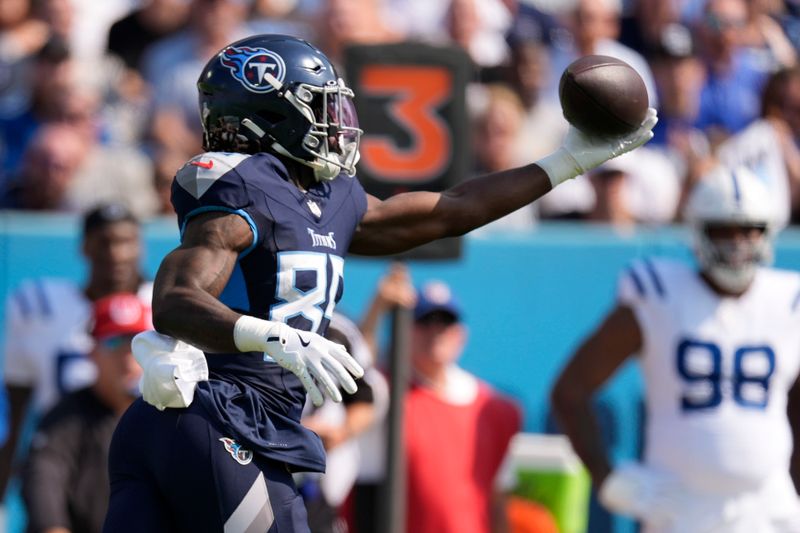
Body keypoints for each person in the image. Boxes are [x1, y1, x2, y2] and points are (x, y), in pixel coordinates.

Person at [102, 33, 656, 532]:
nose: (336, 122)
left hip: (192, 429)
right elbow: (174, 301)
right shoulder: (241, 188)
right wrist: (271, 336)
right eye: (319, 107)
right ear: (265, 115)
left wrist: (566, 163)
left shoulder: (330, 199)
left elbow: (450, 210)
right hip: (220, 418)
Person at [551, 167, 800, 532]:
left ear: (768, 233)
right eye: (722, 230)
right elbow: (570, 391)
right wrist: (606, 476)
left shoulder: (789, 301)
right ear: (698, 232)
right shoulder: (658, 294)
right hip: (682, 505)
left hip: (767, 503)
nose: (737, 243)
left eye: (749, 229)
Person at [0, 203, 151, 500]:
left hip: (142, 456)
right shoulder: (38, 306)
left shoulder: (165, 306)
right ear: (84, 248)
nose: (116, 254)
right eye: (104, 242)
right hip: (62, 454)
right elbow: (16, 411)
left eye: (126, 242)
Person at [21, 292, 149, 533]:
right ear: (92, 352)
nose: (126, 354)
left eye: (135, 340)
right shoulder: (67, 415)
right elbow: (44, 475)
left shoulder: (164, 415)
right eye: (113, 341)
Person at [404, 280, 522, 533]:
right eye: (425, 322)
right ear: (406, 331)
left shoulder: (494, 409)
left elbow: (498, 497)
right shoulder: (387, 394)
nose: (435, 331)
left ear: (461, 335)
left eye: (445, 322)